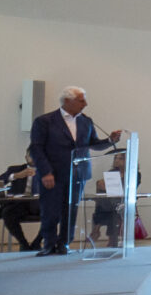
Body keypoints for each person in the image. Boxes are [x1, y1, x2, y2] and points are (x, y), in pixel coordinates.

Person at [27, 86, 122, 256]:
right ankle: (49, 244)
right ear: (67, 101)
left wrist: (110, 140)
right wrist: (46, 171)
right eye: (81, 100)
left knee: (71, 210)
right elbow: (36, 149)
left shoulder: (86, 121)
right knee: (50, 211)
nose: (85, 104)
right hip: (53, 174)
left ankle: (64, 243)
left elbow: (93, 144)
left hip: (78, 174)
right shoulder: (45, 121)